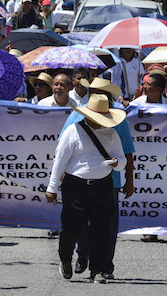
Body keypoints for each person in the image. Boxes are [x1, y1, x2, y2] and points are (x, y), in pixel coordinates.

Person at [46, 94, 126, 283]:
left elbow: (123, 160)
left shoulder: (112, 134)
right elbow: (60, 161)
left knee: (102, 230)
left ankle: (96, 270)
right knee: (71, 229)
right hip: (75, 186)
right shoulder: (73, 131)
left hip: (103, 186)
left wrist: (116, 163)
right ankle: (65, 259)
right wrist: (52, 187)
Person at [60, 78, 134, 280]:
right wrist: (64, 175)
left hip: (110, 181)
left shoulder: (119, 118)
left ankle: (104, 267)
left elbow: (127, 152)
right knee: (80, 225)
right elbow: (63, 147)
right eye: (94, 92)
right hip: (80, 181)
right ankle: (83, 254)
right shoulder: (78, 114)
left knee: (106, 229)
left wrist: (129, 181)